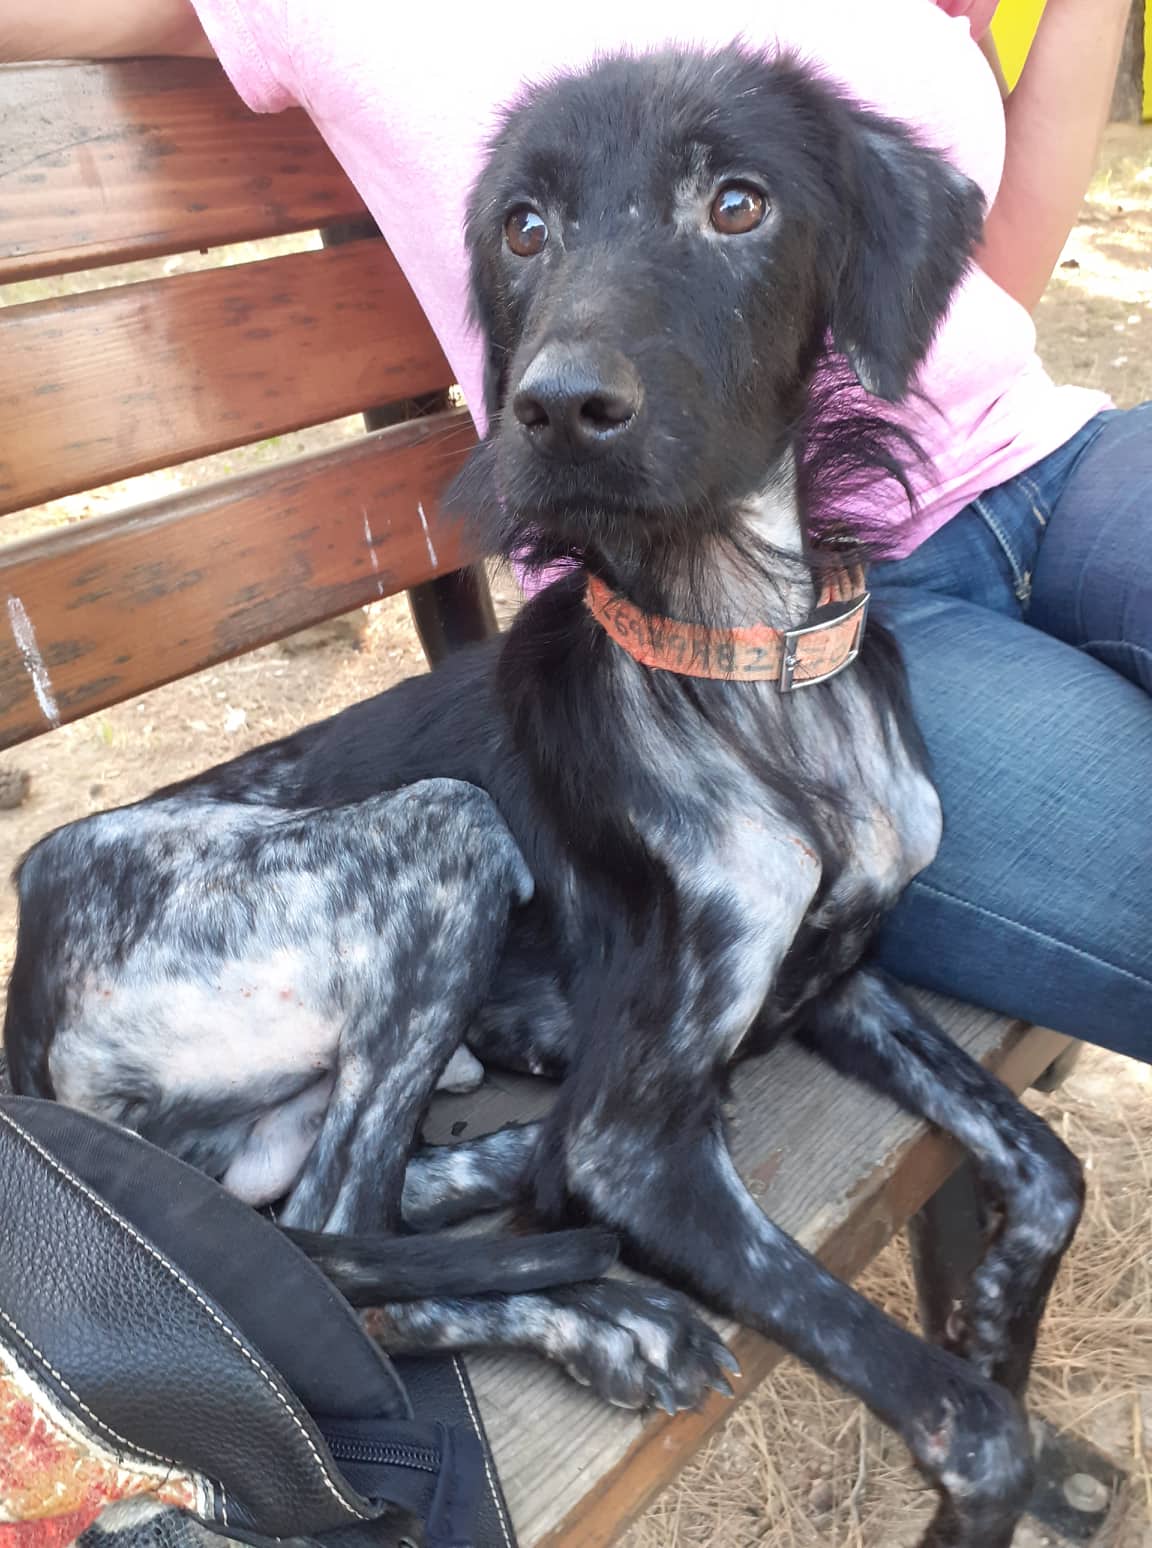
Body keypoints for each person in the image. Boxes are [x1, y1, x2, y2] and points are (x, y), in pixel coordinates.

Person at [3, 0, 1148, 1060]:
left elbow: (987, 266)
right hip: (745, 623)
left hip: (1057, 455)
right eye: (527, 227)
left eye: (732, 204)